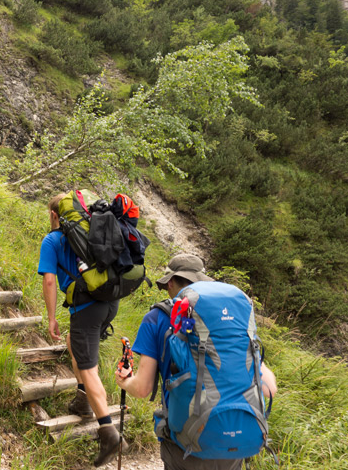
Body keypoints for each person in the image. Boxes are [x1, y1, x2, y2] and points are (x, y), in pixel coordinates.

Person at [115, 254, 278, 470]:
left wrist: (124, 382)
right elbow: (269, 389)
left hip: (185, 444)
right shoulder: (232, 324)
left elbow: (143, 389)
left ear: (170, 282)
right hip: (234, 445)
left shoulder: (155, 318)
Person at [37, 193, 128, 467]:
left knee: (88, 367)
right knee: (73, 340)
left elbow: (50, 282)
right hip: (109, 302)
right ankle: (82, 400)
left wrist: (52, 317)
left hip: (86, 308)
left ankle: (108, 432)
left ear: (55, 215)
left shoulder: (52, 240)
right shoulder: (91, 233)